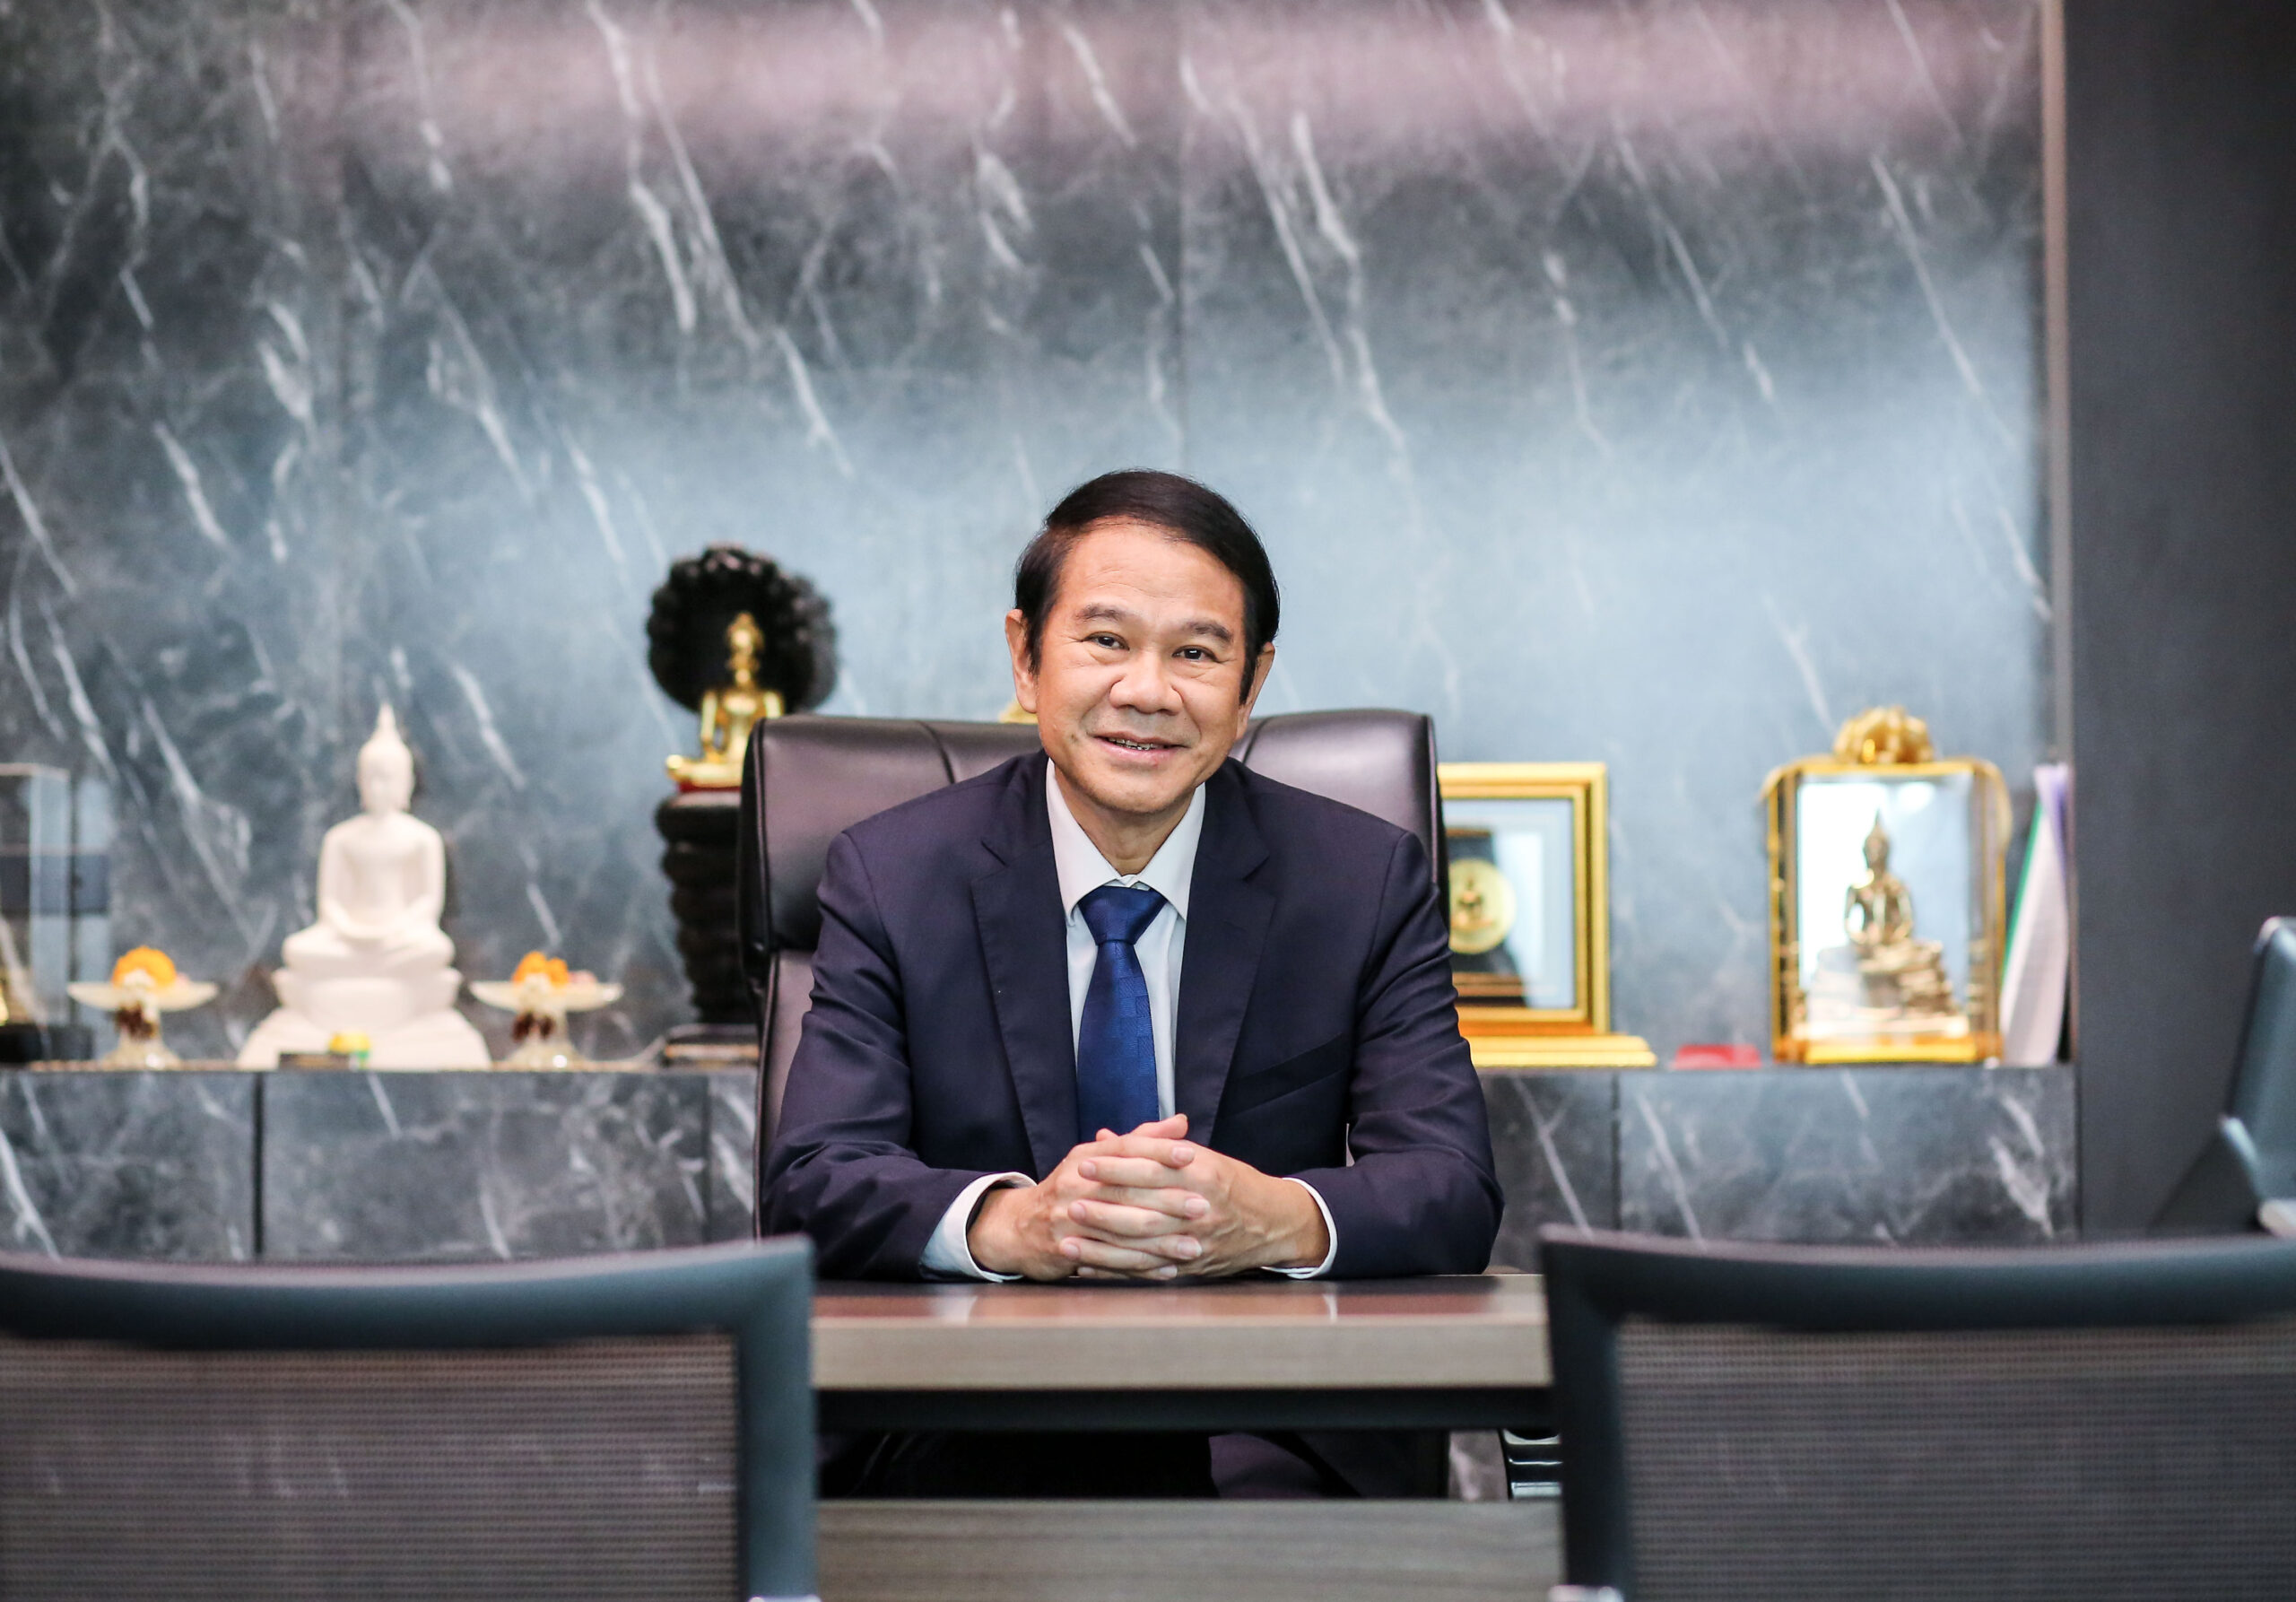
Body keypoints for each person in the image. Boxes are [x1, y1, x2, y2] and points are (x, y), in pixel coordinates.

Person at [762, 469, 1500, 1496]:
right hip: (967, 1403)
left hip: (1264, 1414)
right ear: (1026, 657)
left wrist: (1272, 1214)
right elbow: (816, 1175)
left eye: (1195, 652)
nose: (1148, 691)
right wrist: (1019, 1224)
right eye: (1106, 640)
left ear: (1250, 683)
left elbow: (1450, 1183)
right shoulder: (893, 874)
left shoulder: (1360, 880)